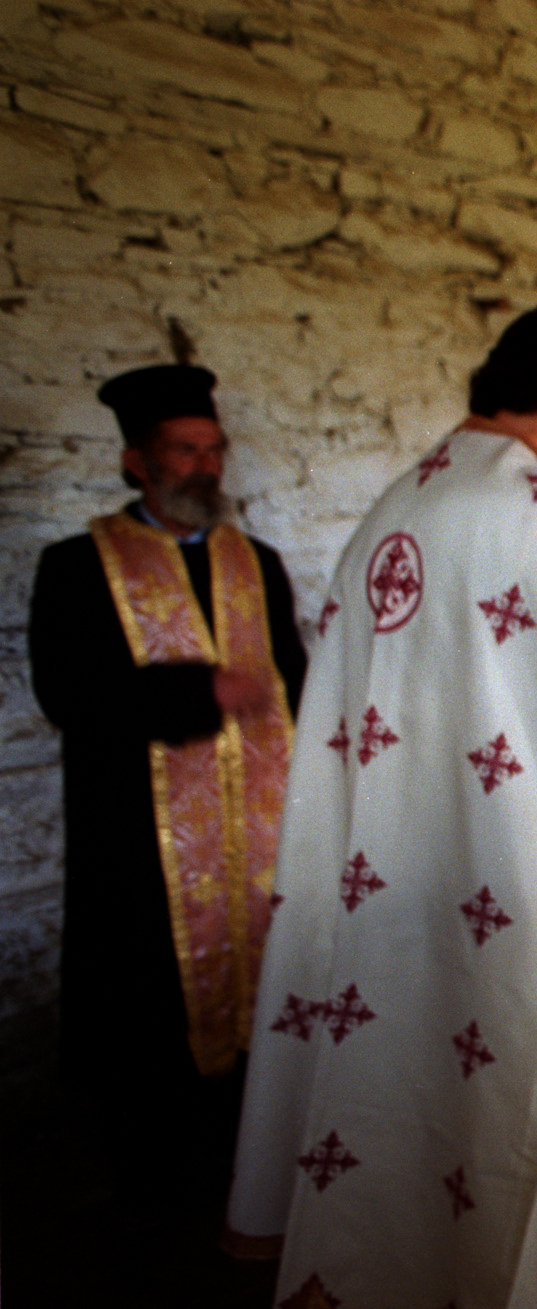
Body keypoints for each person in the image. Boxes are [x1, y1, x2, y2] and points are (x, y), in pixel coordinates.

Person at [226, 301, 537, 1309]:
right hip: (509, 901)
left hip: (388, 903)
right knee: (522, 1113)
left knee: (397, 1120)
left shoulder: (391, 512)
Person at [29, 362, 306, 1181]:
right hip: (140, 842)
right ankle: (152, 1173)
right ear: (135, 461)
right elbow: (69, 692)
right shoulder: (78, 566)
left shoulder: (257, 562)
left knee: (260, 988)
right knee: (147, 1014)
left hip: (254, 833)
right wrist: (203, 690)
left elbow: (295, 677)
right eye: (184, 450)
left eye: (214, 449)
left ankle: (246, 1157)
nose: (206, 466)